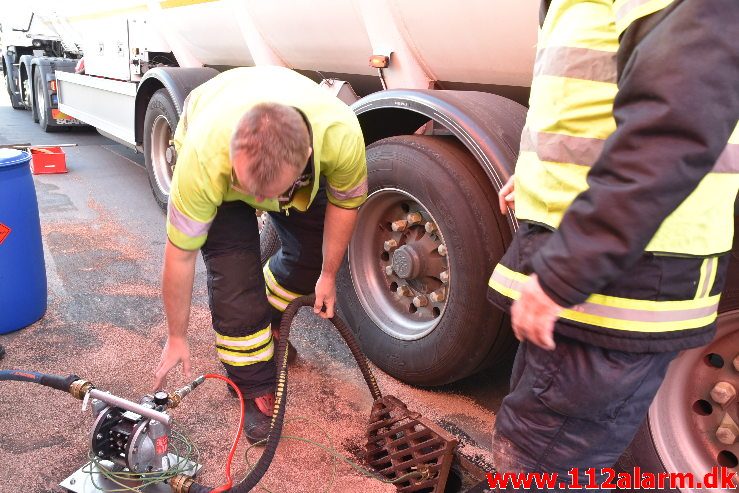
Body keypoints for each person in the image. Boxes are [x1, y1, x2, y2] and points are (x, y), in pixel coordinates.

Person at [486, 0, 738, 489]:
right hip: (615, 271)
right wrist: (535, 172)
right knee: (544, 447)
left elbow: (672, 129)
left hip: (621, 281)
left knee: (541, 462)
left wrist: (565, 271)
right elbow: (597, 105)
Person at [151, 66, 367, 443]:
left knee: (309, 260)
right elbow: (180, 256)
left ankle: (267, 327)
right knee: (235, 283)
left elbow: (345, 206)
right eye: (251, 191)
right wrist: (176, 336)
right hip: (217, 152)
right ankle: (252, 386)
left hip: (289, 165)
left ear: (308, 157)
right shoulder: (203, 158)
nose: (261, 208)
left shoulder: (341, 134)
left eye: (271, 197)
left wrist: (328, 275)